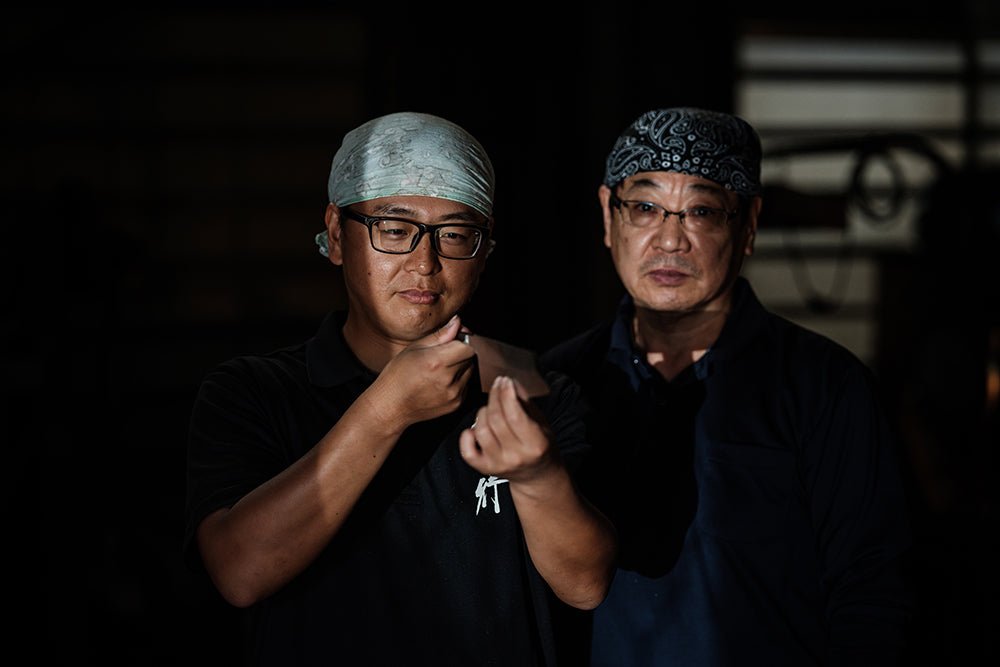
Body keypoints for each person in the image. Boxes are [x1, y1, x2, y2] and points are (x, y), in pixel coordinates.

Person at [183, 111, 616, 666]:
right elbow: (239, 573)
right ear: (338, 235)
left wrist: (537, 474)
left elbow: (585, 585)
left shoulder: (532, 393)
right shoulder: (254, 391)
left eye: (457, 234)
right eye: (394, 228)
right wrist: (386, 409)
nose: (425, 262)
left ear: (484, 256)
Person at [540, 107, 912, 666]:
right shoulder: (558, 383)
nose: (670, 240)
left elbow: (875, 594)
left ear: (749, 224)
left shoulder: (826, 387)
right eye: (644, 207)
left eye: (702, 211)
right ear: (607, 215)